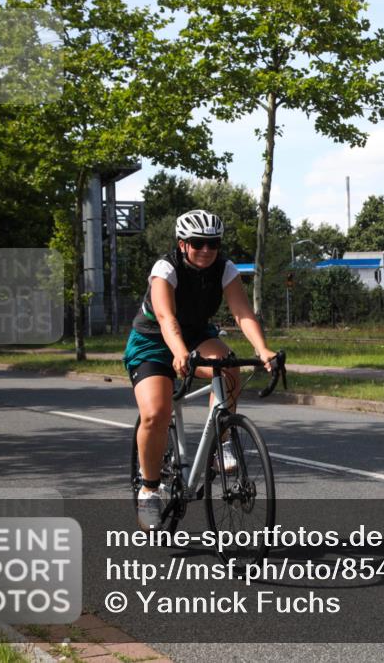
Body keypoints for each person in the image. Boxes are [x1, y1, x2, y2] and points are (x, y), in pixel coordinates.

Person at [122, 209, 277, 531]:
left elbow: (242, 311)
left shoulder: (225, 268)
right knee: (156, 413)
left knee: (228, 368)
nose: (206, 250)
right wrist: (179, 353)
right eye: (197, 243)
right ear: (182, 244)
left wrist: (262, 349)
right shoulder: (165, 268)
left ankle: (222, 444)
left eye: (213, 244)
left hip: (196, 335)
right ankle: (150, 490)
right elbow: (166, 318)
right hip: (152, 340)